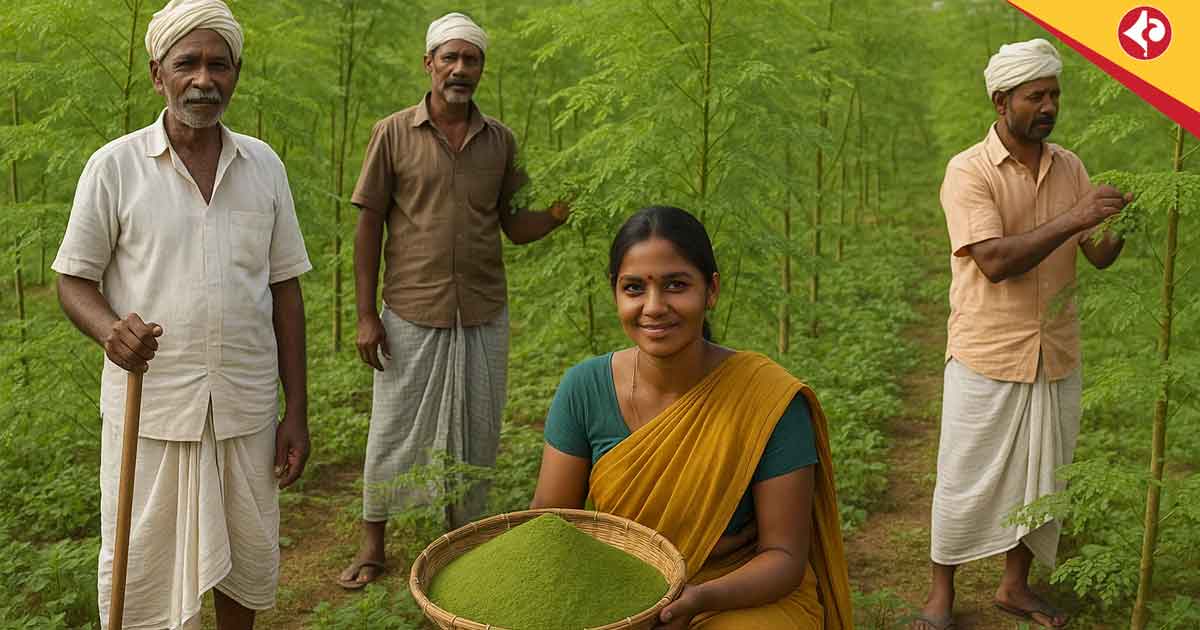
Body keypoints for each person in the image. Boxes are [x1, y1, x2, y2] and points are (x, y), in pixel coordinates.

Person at [53, 1, 311, 628]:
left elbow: (285, 292)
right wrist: (110, 331)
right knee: (143, 572)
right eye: (187, 63)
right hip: (153, 407)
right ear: (156, 74)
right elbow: (73, 280)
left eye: (218, 65)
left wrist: (296, 411)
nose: (204, 79)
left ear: (237, 73)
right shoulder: (113, 167)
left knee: (244, 566)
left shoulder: (264, 167)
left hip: (244, 406)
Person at [530, 206, 852, 629]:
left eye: (676, 285)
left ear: (711, 290)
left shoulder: (768, 398)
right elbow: (551, 525)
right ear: (615, 294)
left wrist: (696, 598)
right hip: (619, 590)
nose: (654, 306)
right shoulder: (584, 388)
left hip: (738, 592)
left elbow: (784, 557)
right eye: (633, 288)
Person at [339, 12, 570, 589]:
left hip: (484, 309)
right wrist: (367, 315)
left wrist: (562, 215)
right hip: (410, 307)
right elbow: (369, 225)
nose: (460, 69)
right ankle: (373, 545)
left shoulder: (500, 141)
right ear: (430, 64)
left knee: (476, 427)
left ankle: (462, 540)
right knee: (393, 426)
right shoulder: (393, 133)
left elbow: (514, 226)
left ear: (481, 69)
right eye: (450, 58)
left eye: (471, 60)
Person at [913, 39, 1130, 630]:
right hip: (987, 349)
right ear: (1001, 100)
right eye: (1036, 96)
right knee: (964, 473)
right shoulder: (969, 170)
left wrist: (1120, 222)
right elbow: (996, 261)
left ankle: (1015, 586)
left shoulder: (1071, 166)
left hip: (1055, 349)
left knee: (1044, 476)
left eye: (1054, 94)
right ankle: (940, 593)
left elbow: (1100, 254)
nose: (1049, 106)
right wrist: (1076, 218)